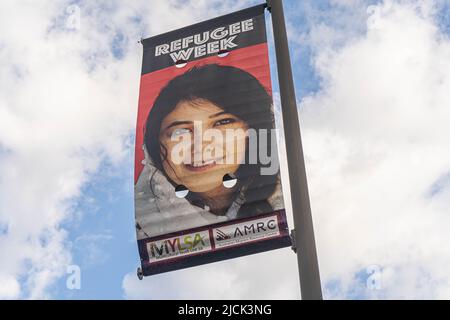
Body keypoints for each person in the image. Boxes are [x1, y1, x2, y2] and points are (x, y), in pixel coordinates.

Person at [135, 64, 284, 239]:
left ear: (252, 131)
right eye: (180, 131)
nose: (200, 144)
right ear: (155, 146)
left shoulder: (296, 200)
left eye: (222, 123)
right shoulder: (141, 224)